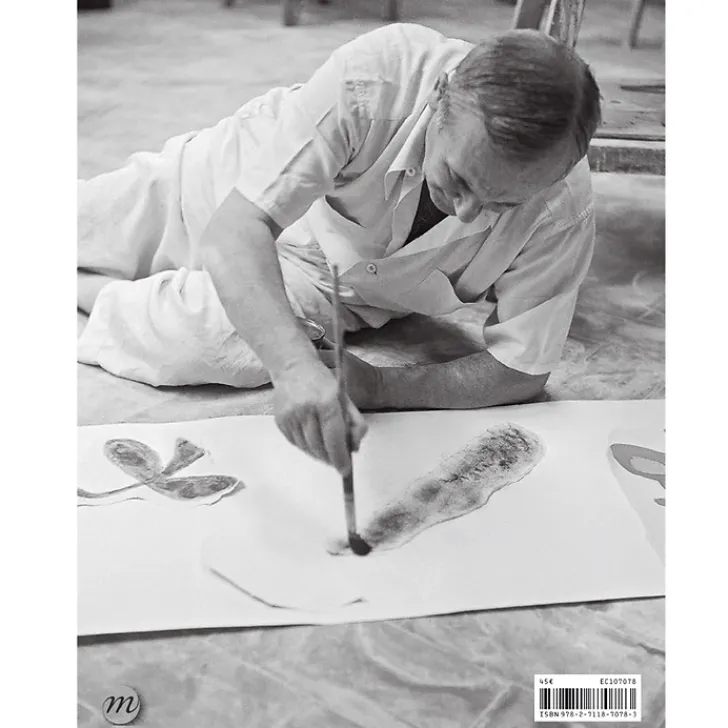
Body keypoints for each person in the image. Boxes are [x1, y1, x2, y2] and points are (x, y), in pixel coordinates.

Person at [78, 23, 601, 477]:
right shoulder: (376, 76)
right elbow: (238, 227)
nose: (467, 213)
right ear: (438, 98)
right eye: (458, 179)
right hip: (233, 178)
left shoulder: (561, 206)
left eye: (502, 203)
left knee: (213, 344)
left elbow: (521, 368)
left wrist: (384, 387)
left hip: (330, 284)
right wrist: (294, 369)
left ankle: (84, 292)